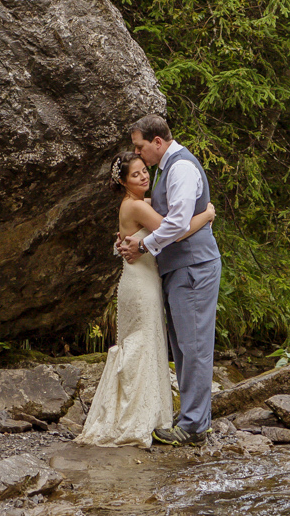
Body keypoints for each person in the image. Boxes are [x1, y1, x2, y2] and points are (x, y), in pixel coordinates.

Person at [76, 152, 215, 447]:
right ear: (123, 182)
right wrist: (207, 215)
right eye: (135, 175)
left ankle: (150, 412)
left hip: (144, 280)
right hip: (141, 285)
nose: (144, 177)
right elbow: (174, 230)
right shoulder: (136, 206)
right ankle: (135, 416)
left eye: (144, 172)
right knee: (144, 343)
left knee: (148, 342)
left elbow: (163, 211)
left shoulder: (138, 203)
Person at [115, 114, 222, 446]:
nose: (139, 154)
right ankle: (191, 416)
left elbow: (176, 224)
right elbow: (155, 214)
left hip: (193, 266)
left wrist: (145, 244)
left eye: (140, 146)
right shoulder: (166, 170)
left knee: (194, 346)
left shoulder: (181, 168)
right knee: (182, 345)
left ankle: (193, 426)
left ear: (157, 142)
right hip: (180, 268)